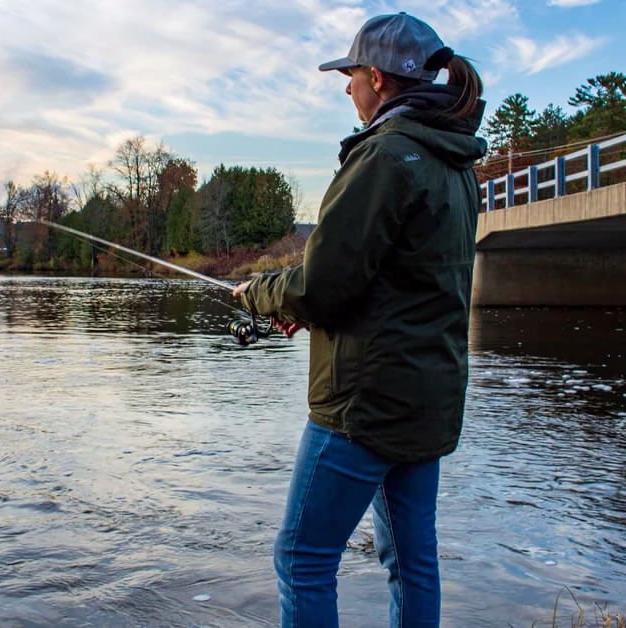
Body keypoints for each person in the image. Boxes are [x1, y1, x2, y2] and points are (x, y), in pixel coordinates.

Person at [232, 11, 487, 627]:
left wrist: (260, 294)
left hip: (364, 407)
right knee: (412, 561)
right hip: (426, 398)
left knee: (302, 559)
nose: (346, 87)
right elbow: (400, 287)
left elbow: (322, 284)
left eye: (350, 75)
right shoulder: (456, 165)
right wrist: (315, 318)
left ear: (376, 76)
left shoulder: (384, 156)